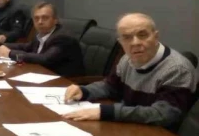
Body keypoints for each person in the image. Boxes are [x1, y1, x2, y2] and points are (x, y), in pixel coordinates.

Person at [63, 13, 196, 129]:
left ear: (156, 37)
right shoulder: (127, 59)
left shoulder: (177, 69)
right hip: (131, 126)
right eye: (127, 37)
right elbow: (110, 86)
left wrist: (106, 112)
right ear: (120, 42)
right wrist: (84, 91)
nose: (135, 43)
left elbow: (163, 114)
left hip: (160, 135)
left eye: (142, 35)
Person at [0, 2, 84, 77]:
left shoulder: (63, 38)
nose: (40, 22)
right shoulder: (41, 34)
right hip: (43, 75)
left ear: (55, 20)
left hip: (65, 82)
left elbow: (45, 59)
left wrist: (10, 53)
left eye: (45, 18)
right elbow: (26, 47)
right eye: (36, 18)